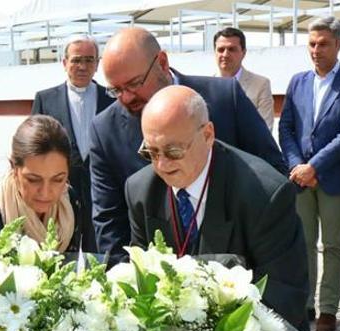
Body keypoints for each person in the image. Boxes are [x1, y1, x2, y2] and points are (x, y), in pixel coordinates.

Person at [125, 85, 310, 331]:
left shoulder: (264, 194)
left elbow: (284, 299)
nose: (162, 165)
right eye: (151, 152)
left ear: (207, 134)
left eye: (173, 151)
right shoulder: (141, 190)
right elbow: (141, 282)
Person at [89, 27, 285, 265]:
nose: (127, 97)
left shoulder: (225, 99)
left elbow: (272, 173)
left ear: (162, 62)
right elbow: (110, 222)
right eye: (116, 90)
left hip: (241, 278)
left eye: (134, 83)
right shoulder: (104, 130)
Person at [278, 16, 340, 331]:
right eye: (312, 43)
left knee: (332, 244)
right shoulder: (297, 81)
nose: (316, 50)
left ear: (339, 45)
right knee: (302, 244)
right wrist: (296, 166)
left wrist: (314, 166)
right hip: (300, 179)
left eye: (323, 44)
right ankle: (305, 305)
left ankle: (328, 309)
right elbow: (286, 127)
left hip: (334, 179)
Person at [31, 35, 115, 251]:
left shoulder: (112, 99)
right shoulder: (45, 99)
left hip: (102, 190)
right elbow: (34, 146)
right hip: (60, 191)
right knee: (58, 248)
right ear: (64, 62)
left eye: (89, 60)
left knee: (98, 250)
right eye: (77, 60)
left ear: (97, 64)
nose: (82, 66)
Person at [0, 115, 85, 252]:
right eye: (33, 180)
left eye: (58, 180)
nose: (45, 192)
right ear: (14, 169)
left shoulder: (69, 204)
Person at [213, 27, 274, 130]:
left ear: (243, 53)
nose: (225, 54)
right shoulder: (206, 86)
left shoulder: (261, 85)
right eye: (221, 49)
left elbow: (265, 129)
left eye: (232, 49)